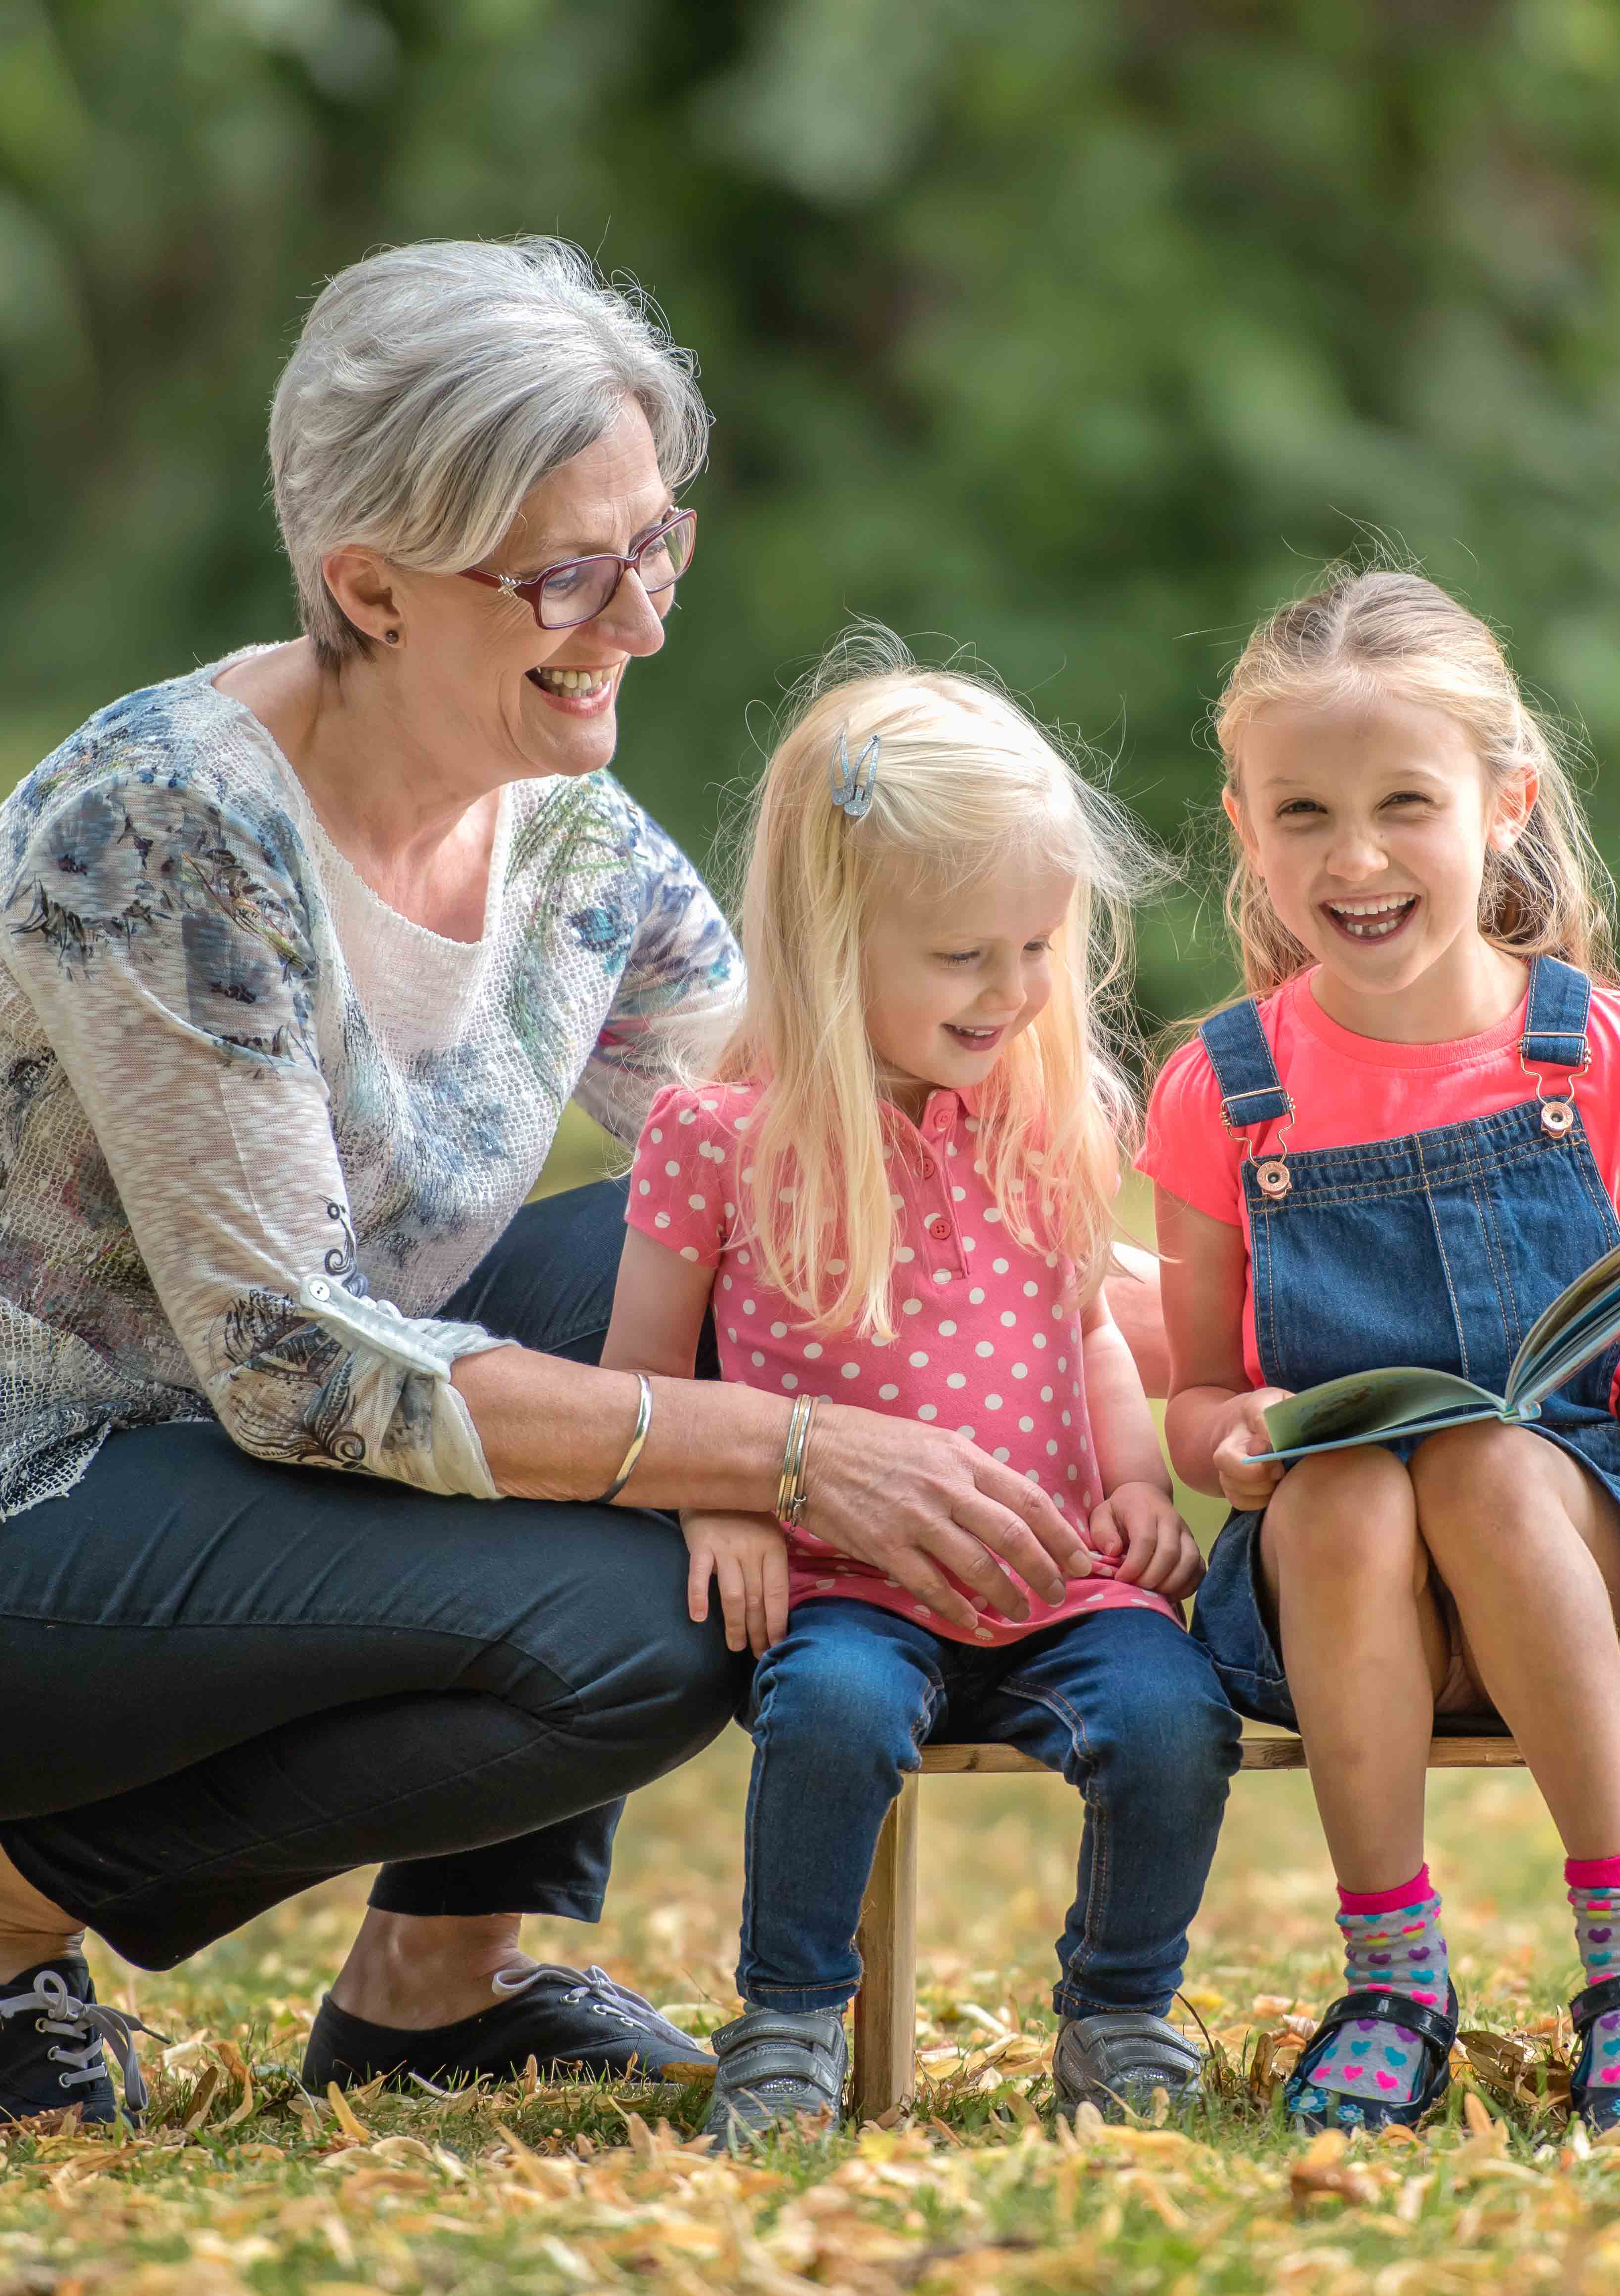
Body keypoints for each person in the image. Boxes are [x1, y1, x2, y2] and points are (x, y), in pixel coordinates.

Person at [0, 240, 1103, 2127]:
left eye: (657, 545)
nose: (640, 620)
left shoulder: (567, 831)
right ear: (369, 588)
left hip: (216, 1466)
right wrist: (794, 1456)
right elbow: (306, 1373)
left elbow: (844, 1166)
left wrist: (1245, 1336)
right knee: (647, 1630)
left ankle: (439, 1985)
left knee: (704, 1258)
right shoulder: (168, 833)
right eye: (570, 575)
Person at [1142, 568, 1620, 2137]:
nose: (1353, 859)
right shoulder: (1220, 1092)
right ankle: (1392, 1975)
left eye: (1402, 805)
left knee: (1492, 1460)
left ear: (1503, 806)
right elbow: (1193, 1399)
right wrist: (1231, 1441)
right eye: (1301, 813)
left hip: (1580, 1566)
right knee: (1355, 1486)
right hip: (1342, 1598)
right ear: (1244, 827)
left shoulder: (1617, 1060)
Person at [602, 642, 1240, 2146]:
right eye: (964, 958)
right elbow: (642, 1373)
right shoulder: (719, 1138)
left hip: (1057, 1574)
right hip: (841, 1582)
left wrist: (1137, 1484)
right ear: (833, 942)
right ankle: (789, 2024)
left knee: (1173, 1722)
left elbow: (1084, 1327)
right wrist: (723, 1497)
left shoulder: (1046, 1114)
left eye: (1036, 947)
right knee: (826, 1718)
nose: (1014, 991)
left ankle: (1122, 2011)